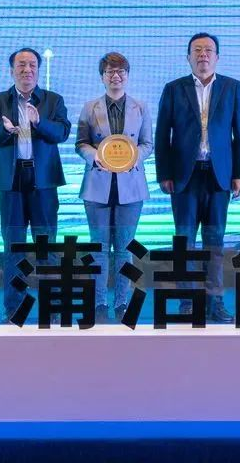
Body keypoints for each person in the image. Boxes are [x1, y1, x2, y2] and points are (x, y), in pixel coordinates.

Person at [155, 33, 240, 323]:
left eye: (208, 50)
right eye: (197, 50)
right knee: (184, 241)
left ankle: (215, 300)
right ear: (188, 57)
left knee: (215, 241)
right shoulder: (174, 88)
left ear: (217, 57)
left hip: (219, 176)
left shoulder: (232, 87)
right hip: (185, 176)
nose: (203, 55)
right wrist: (164, 173)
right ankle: (187, 300)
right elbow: (162, 134)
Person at [0, 47, 71, 323]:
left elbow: (62, 133)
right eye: (21, 65)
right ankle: (14, 310)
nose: (27, 70)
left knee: (46, 248)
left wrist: (38, 122)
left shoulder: (53, 100)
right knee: (14, 248)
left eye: (32, 65)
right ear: (12, 71)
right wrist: (4, 130)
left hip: (43, 183)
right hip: (12, 183)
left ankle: (52, 310)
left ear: (38, 70)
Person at [75, 52, 153, 322]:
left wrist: (133, 157)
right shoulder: (90, 107)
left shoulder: (141, 107)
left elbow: (148, 144)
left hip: (130, 186)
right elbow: (81, 143)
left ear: (127, 76)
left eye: (121, 72)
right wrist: (95, 155)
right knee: (98, 248)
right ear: (102, 77)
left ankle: (121, 303)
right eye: (110, 72)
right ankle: (98, 303)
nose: (116, 76)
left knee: (124, 249)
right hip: (97, 184)